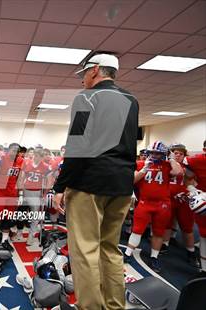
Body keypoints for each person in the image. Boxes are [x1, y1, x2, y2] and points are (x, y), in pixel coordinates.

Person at [53, 53, 139, 309]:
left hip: (90, 184)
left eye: (84, 74)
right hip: (122, 185)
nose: (82, 80)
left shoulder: (85, 98)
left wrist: (60, 186)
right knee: (110, 249)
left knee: (85, 252)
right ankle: (115, 306)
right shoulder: (132, 100)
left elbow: (77, 146)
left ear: (97, 70)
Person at [124, 141, 183, 272]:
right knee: (137, 230)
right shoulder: (140, 164)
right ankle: (127, 253)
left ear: (164, 154)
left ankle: (154, 257)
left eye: (158, 153)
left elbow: (179, 173)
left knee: (158, 232)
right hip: (145, 203)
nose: (155, 155)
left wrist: (172, 158)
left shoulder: (167, 165)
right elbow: (132, 180)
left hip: (162, 204)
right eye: (152, 153)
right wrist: (145, 169)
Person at [0, 143, 23, 251]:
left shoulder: (20, 161)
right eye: (13, 150)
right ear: (8, 150)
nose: (15, 153)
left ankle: (4, 241)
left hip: (12, 193)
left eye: (17, 151)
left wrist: (20, 194)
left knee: (8, 218)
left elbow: (20, 179)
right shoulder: (1, 157)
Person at [184, 140, 206, 275]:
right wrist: (193, 191)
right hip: (204, 200)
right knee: (204, 236)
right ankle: (204, 270)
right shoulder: (196, 161)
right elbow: (187, 178)